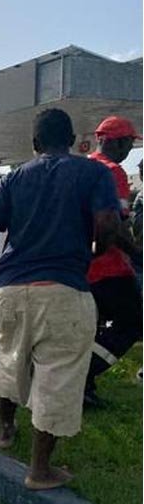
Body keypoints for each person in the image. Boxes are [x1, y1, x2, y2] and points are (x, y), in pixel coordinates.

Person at [0, 108, 120, 490]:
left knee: (10, 362)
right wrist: (90, 253)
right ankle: (40, 470)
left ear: (34, 144)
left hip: (11, 290)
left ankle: (5, 428)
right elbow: (109, 228)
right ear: (73, 139)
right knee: (58, 377)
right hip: (63, 290)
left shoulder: (14, 178)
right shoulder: (93, 172)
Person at [83, 116, 143, 406]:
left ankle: (85, 387)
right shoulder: (113, 172)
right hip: (108, 266)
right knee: (133, 322)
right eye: (129, 143)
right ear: (114, 141)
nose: (130, 151)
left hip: (80, 266)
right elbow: (113, 228)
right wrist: (137, 255)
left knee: (90, 329)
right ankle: (82, 376)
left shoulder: (82, 167)